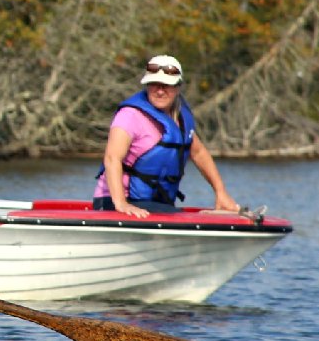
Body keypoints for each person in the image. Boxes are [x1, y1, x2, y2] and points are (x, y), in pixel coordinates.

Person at [93, 54, 239, 218]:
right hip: (115, 202)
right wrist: (121, 203)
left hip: (154, 204)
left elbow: (199, 153)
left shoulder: (179, 119)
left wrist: (220, 192)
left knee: (173, 213)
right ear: (147, 85)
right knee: (177, 217)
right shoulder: (130, 115)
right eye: (154, 85)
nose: (160, 91)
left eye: (167, 85)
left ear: (178, 88)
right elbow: (112, 157)